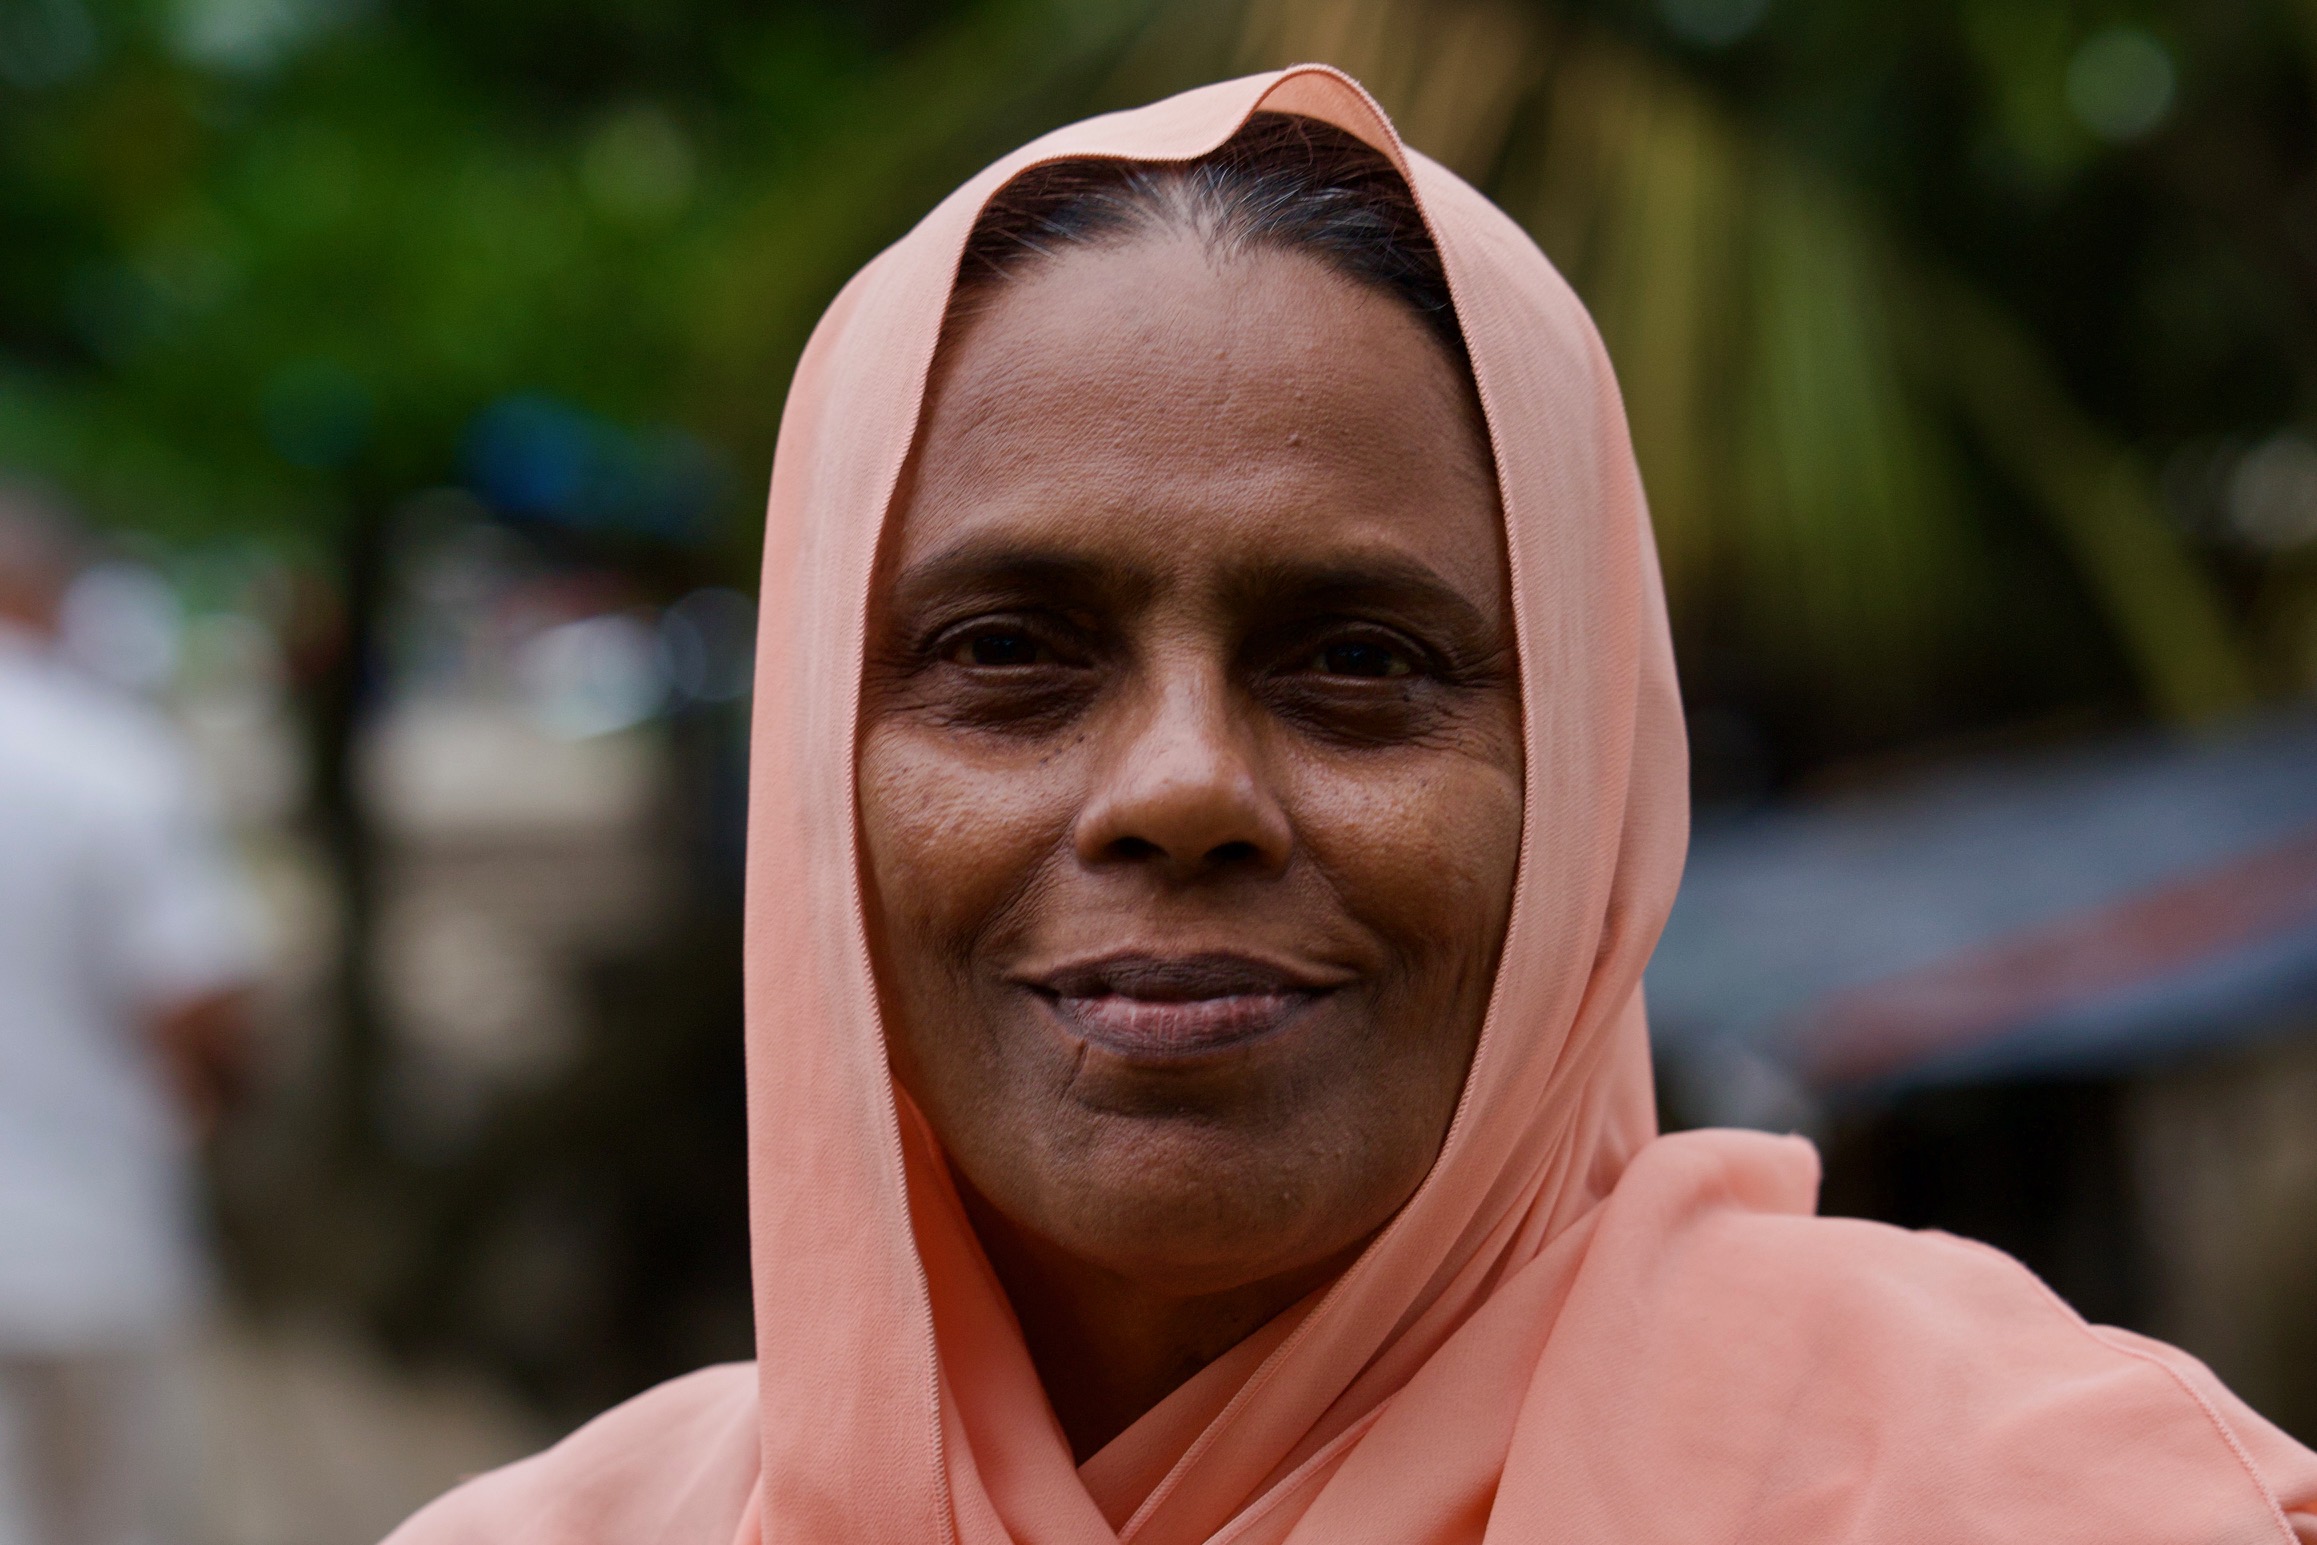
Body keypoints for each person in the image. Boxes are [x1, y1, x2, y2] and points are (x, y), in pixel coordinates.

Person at [385, 68, 2317, 1544]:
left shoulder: (2030, 1499)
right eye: (1004, 652)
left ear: (1581, 793)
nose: (1180, 791)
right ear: (818, 762)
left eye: (1361, 663)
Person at [0, 485, 261, 1545]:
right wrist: (217, 1100)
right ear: (50, 595)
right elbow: (199, 996)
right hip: (92, 1238)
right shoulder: (110, 758)